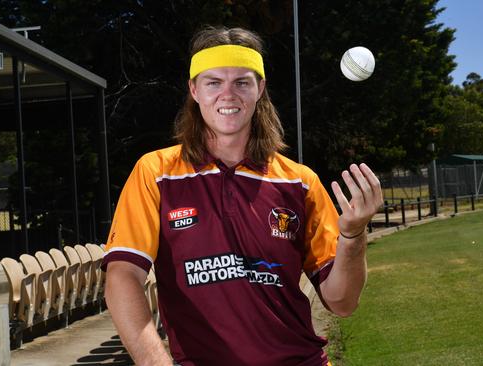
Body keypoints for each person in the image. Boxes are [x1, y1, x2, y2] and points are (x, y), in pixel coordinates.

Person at [102, 25, 383, 366]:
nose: (228, 95)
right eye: (214, 82)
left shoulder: (300, 182)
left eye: (242, 82)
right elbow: (122, 277)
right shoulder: (156, 173)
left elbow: (342, 302)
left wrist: (353, 236)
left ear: (260, 89)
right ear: (194, 90)